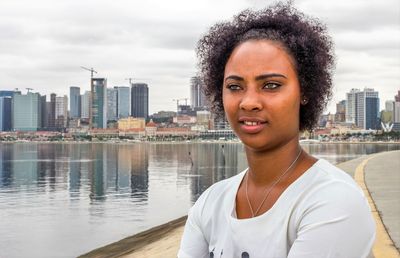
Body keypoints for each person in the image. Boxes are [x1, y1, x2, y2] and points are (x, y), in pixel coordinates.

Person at [178, 3, 375, 258]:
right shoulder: (210, 203)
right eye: (235, 86)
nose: (248, 102)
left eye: (271, 85)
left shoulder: (334, 200)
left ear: (304, 91)